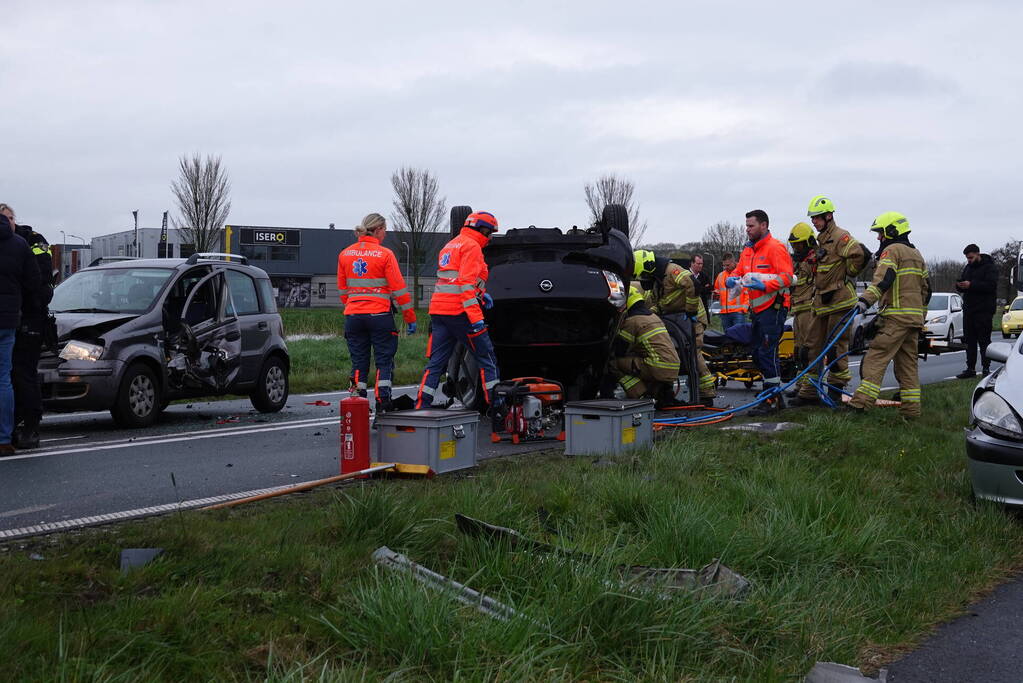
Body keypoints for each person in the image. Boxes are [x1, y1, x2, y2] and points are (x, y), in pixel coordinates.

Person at [848, 212, 930, 418]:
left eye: (881, 233)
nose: (878, 238)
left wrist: (864, 301)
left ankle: (860, 404)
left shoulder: (892, 251)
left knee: (875, 358)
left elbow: (883, 280)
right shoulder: (917, 254)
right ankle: (911, 412)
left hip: (895, 318)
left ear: (892, 231)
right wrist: (921, 316)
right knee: (908, 367)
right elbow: (926, 290)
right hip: (913, 321)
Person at [416, 211, 501, 409]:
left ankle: (421, 405)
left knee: (436, 362)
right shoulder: (472, 247)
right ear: (482, 229)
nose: (490, 238)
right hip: (461, 313)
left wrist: (481, 294)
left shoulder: (450, 245)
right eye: (490, 233)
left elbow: (452, 281)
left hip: (439, 312)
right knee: (486, 358)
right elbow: (464, 284)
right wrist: (476, 317)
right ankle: (497, 409)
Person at [337, 213, 416, 413]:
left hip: (354, 317)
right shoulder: (385, 254)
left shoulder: (345, 254)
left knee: (358, 362)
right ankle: (383, 405)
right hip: (380, 317)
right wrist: (410, 318)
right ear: (379, 229)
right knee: (383, 362)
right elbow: (399, 290)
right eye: (385, 230)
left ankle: (357, 405)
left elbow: (342, 290)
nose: (386, 234)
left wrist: (355, 306)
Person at [793, 196, 868, 406]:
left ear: (828, 216)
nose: (814, 222)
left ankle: (835, 390)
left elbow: (859, 255)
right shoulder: (821, 240)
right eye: (812, 218)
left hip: (840, 302)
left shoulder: (840, 236)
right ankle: (809, 392)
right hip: (821, 303)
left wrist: (846, 275)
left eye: (816, 218)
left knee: (836, 348)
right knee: (811, 347)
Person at [726, 209, 794, 415]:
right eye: (746, 226)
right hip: (757, 310)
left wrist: (765, 286)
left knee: (766, 352)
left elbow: (787, 278)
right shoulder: (748, 250)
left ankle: (771, 400)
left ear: (763, 225)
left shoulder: (776, 248)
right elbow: (739, 271)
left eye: (751, 226)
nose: (747, 230)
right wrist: (732, 277)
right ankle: (774, 395)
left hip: (773, 309)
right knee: (757, 352)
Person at [635, 249, 716, 406]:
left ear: (649, 266)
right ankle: (667, 394)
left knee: (694, 352)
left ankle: (707, 394)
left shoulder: (672, 270)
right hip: (678, 319)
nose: (646, 279)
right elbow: (661, 302)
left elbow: (693, 284)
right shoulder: (658, 279)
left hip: (693, 318)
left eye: (645, 274)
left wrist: (691, 311)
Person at [9, 216, 55, 449]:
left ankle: (31, 424)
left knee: (24, 372)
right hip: (12, 317)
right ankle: (13, 424)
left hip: (30, 318)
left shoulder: (33, 241)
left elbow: (40, 278)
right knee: (10, 375)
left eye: (8, 218)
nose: (6, 222)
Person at [0, 211, 41, 456]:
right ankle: (4, 438)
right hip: (7, 321)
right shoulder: (19, 244)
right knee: (4, 379)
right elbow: (34, 282)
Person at [609, 286, 681, 401]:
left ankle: (641, 396)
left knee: (614, 363)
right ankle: (661, 393)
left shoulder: (633, 321)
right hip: (673, 367)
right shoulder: (653, 317)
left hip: (658, 367)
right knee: (640, 361)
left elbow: (619, 351)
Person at [955, 243, 998, 378]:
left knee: (984, 341)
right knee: (969, 341)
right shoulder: (968, 268)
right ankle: (970, 369)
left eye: (971, 258)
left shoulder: (990, 267)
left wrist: (971, 285)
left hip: (984, 310)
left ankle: (986, 368)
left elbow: (991, 286)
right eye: (967, 258)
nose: (969, 260)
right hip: (969, 310)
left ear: (978, 254)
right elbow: (964, 282)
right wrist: (960, 286)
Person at [786, 222, 818, 399]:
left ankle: (809, 388)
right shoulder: (798, 261)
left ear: (808, 242)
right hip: (798, 310)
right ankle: (801, 383)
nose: (796, 248)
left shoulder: (816, 260)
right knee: (798, 350)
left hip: (810, 309)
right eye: (794, 245)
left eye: (799, 244)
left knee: (808, 350)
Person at [713, 252, 748, 330]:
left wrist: (743, 309)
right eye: (724, 265)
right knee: (728, 338)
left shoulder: (742, 274)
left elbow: (748, 293)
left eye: (727, 265)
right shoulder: (720, 276)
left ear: (733, 262)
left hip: (738, 312)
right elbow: (717, 290)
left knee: (739, 337)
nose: (725, 267)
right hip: (724, 313)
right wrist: (716, 294)